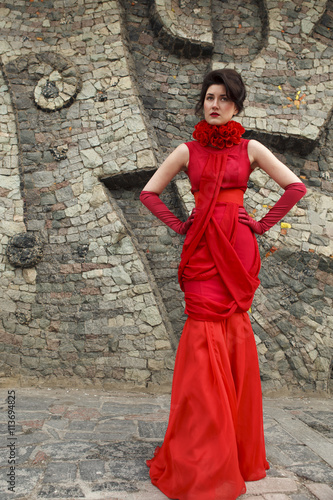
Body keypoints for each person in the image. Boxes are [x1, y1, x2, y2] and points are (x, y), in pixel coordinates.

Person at [140, 68, 306, 500]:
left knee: (232, 336)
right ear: (203, 103)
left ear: (237, 105)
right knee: (200, 340)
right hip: (200, 250)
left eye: (224, 98)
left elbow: (294, 187)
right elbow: (149, 193)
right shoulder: (186, 150)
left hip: (238, 247)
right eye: (209, 97)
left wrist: (261, 224)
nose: (215, 104)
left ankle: (234, 450)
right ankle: (203, 448)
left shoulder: (250, 147)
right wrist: (181, 225)